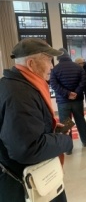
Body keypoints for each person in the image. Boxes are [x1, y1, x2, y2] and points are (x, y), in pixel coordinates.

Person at [0, 39, 73, 202]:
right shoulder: (20, 94)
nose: (52, 66)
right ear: (31, 64)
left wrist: (49, 127)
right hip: (26, 185)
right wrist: (65, 140)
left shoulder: (15, 85)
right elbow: (28, 148)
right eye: (48, 60)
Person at [50, 48, 86, 153]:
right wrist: (75, 92)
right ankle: (85, 142)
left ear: (58, 58)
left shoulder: (55, 69)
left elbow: (53, 84)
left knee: (65, 124)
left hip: (63, 101)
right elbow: (84, 81)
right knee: (80, 120)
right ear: (68, 56)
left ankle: (68, 149)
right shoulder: (78, 67)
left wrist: (67, 94)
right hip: (77, 100)